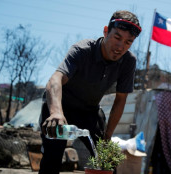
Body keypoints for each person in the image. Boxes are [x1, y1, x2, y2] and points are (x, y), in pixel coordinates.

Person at [38, 10, 141, 174]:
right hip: (60, 108)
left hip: (90, 111)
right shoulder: (82, 50)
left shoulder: (128, 61)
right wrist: (56, 113)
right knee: (52, 160)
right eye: (117, 37)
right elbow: (55, 79)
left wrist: (107, 135)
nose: (121, 46)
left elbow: (121, 99)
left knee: (106, 162)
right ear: (106, 31)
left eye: (128, 42)